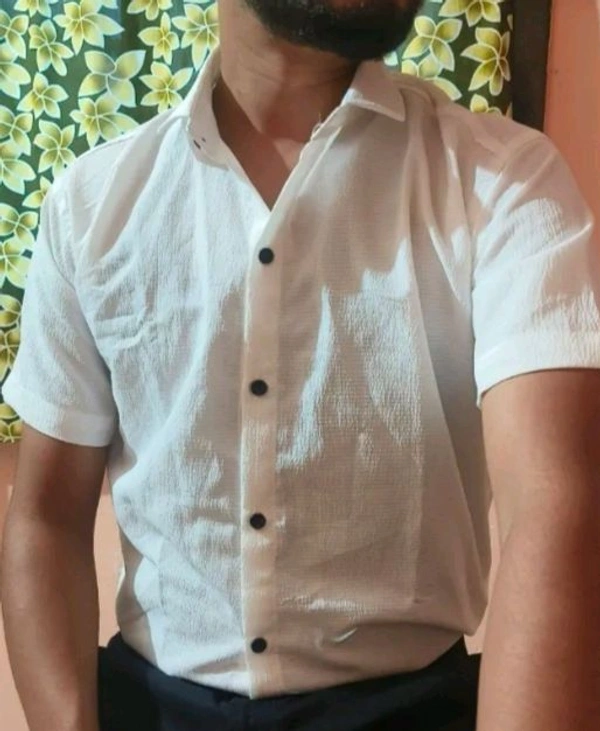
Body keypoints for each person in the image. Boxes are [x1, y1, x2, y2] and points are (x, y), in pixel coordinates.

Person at [2, 0, 600, 728]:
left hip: (412, 709)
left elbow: (554, 506)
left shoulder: (505, 184)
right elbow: (46, 518)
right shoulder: (91, 207)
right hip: (151, 706)